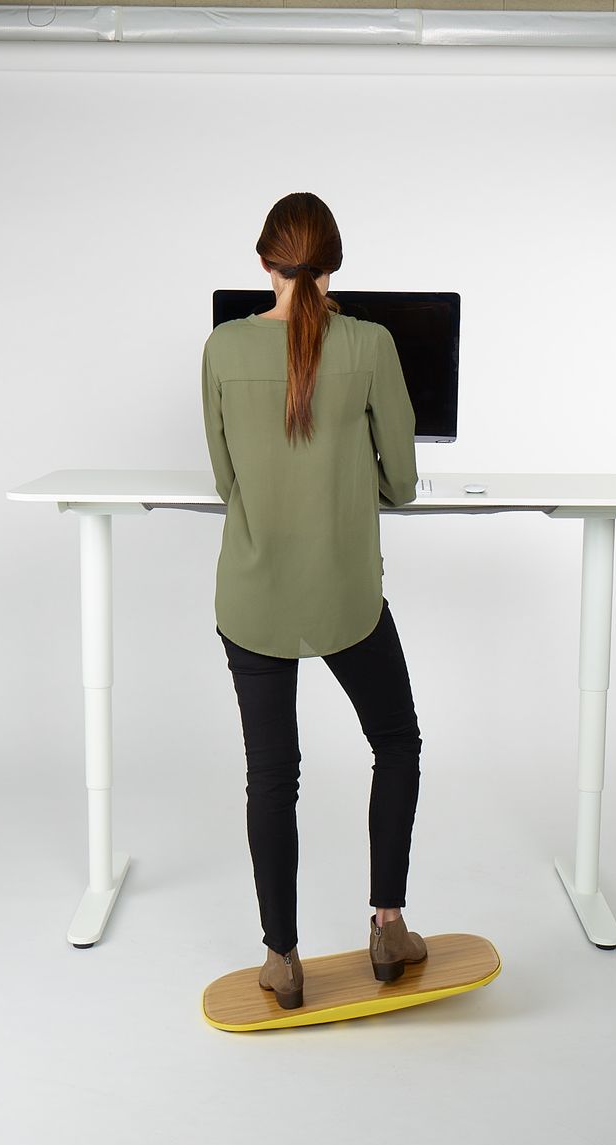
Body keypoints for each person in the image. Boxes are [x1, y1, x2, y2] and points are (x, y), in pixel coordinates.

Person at [200, 192, 427, 1010]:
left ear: (265, 260)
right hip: (344, 596)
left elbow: (227, 482)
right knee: (395, 740)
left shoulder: (222, 349)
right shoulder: (373, 345)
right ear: (333, 265)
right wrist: (348, 475)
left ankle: (281, 960)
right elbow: (401, 482)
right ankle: (387, 926)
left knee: (273, 776)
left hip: (253, 595)